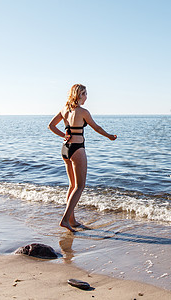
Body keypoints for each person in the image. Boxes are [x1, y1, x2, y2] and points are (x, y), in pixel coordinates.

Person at [48, 84, 117, 232]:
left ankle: (71, 220)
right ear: (78, 95)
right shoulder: (83, 112)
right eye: (85, 94)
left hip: (65, 149)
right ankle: (65, 219)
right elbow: (96, 127)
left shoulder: (65, 109)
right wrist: (109, 136)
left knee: (72, 186)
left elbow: (51, 126)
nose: (86, 97)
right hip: (77, 150)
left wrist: (65, 135)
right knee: (80, 186)